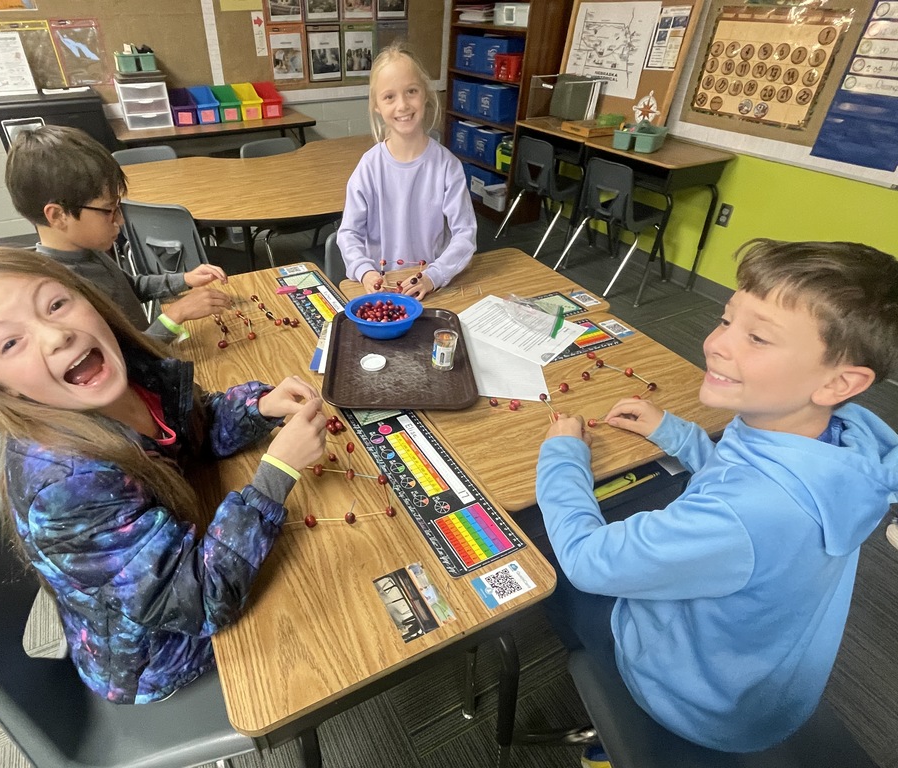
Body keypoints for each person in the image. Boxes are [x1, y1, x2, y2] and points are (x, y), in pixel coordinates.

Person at [0, 247, 328, 704]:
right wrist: (276, 473)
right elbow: (202, 601)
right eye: (10, 343)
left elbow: (190, 428)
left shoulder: (128, 375)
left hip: (181, 562)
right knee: (325, 610)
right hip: (158, 656)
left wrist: (259, 408)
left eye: (56, 303)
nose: (55, 335)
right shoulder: (66, 488)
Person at [537, 239, 898, 752]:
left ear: (839, 382)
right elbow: (748, 474)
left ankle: (615, 725)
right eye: (727, 320)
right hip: (761, 688)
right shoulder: (846, 434)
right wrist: (679, 434)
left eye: (758, 338)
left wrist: (562, 456)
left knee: (548, 563)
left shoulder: (744, 514)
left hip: (696, 704)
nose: (716, 344)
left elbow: (588, 561)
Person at [5, 125, 230, 343]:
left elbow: (130, 288)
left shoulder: (88, 250)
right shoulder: (63, 292)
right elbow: (122, 358)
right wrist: (174, 316)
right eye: (109, 210)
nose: (120, 220)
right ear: (58, 216)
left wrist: (185, 279)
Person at [337, 43, 476, 300]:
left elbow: (465, 235)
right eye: (389, 97)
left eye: (411, 91)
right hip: (382, 289)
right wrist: (365, 272)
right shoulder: (369, 167)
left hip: (432, 290)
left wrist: (434, 275)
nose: (402, 105)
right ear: (377, 105)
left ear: (425, 94)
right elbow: (348, 233)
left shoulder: (447, 166)